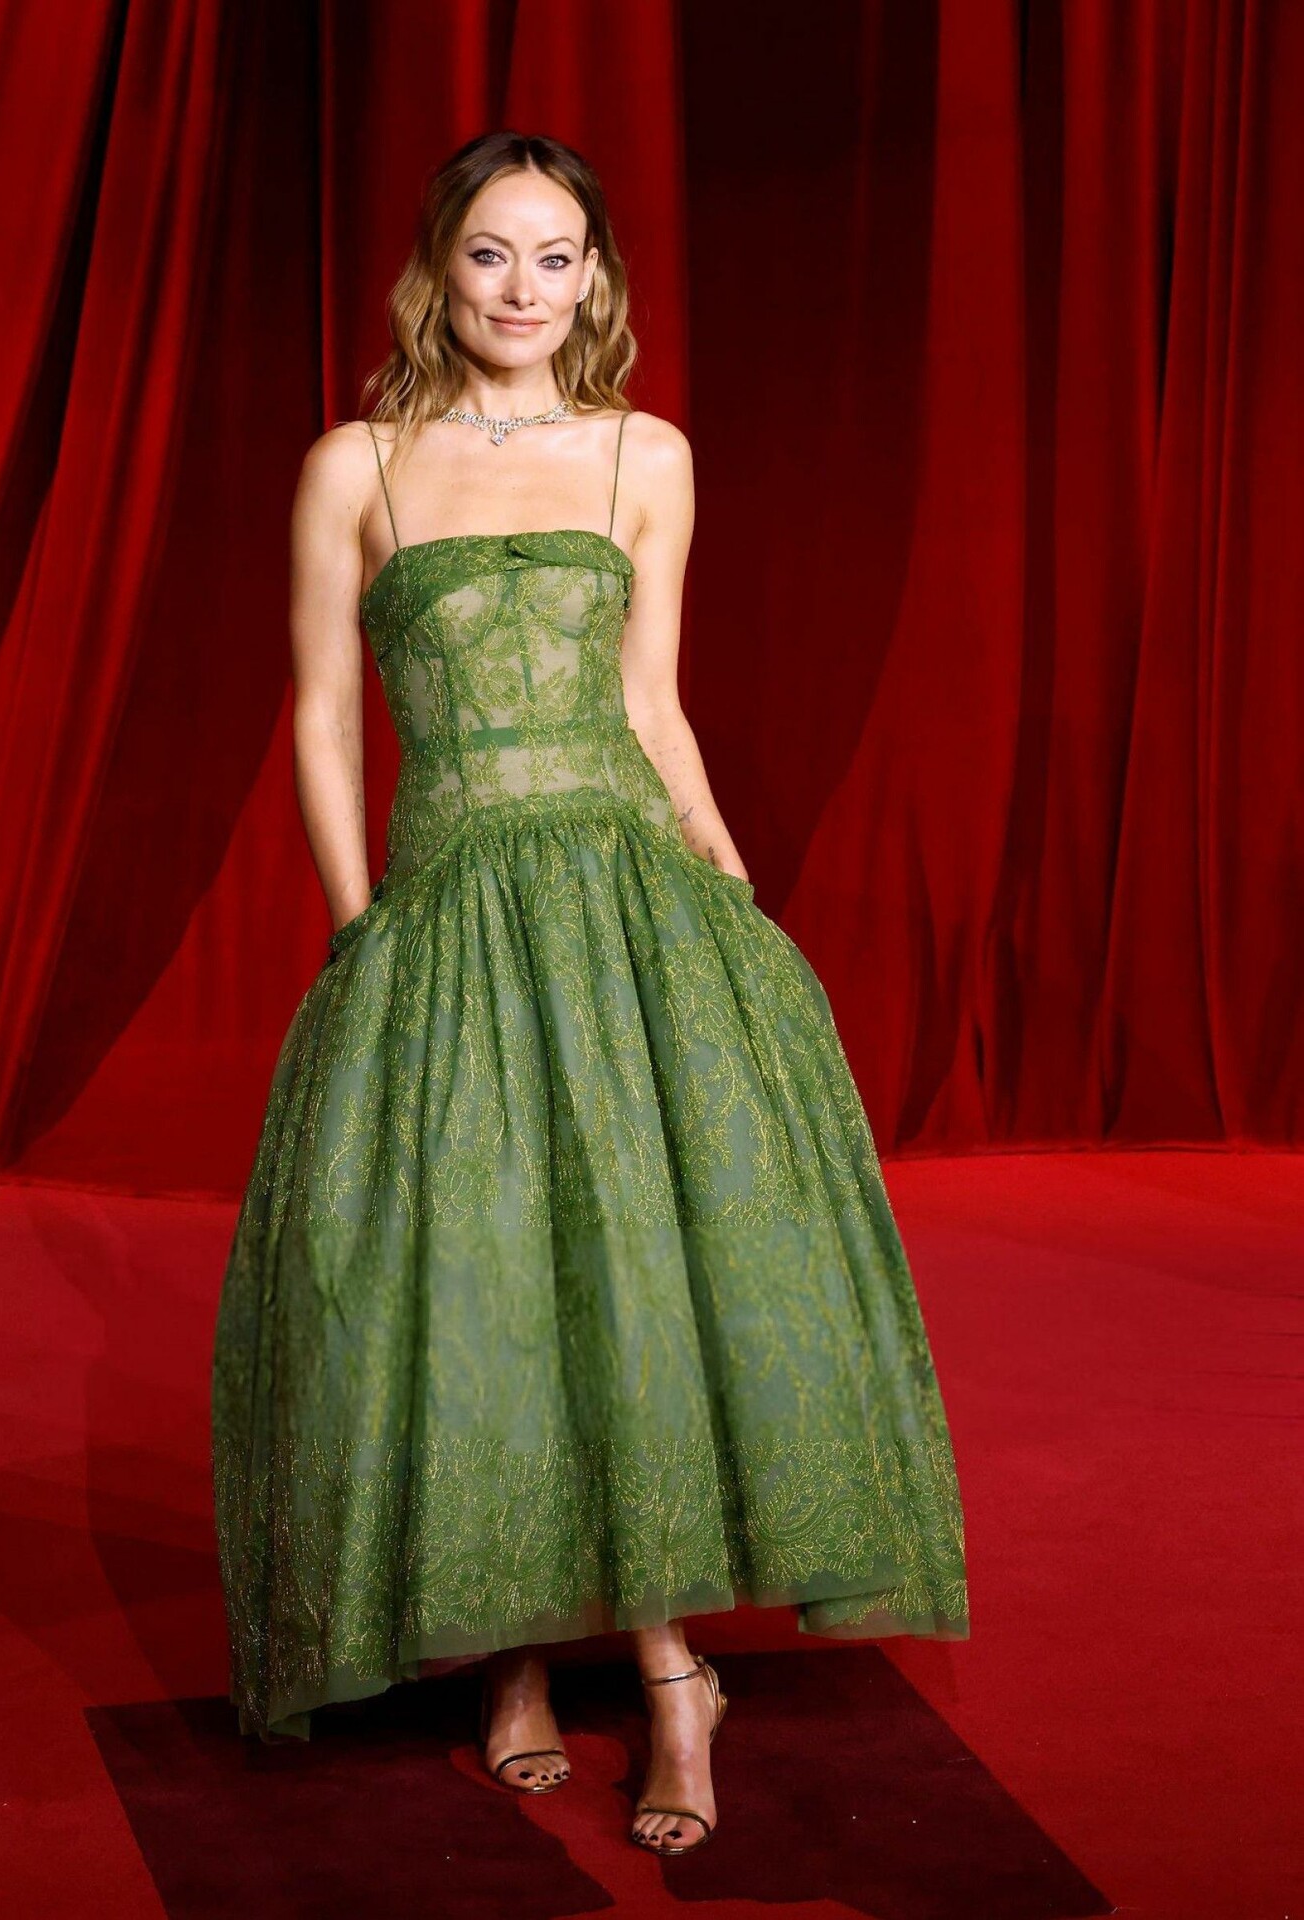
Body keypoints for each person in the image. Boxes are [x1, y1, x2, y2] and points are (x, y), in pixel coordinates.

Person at [212, 129, 967, 1858]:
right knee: (482, 1276)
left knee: (640, 1275)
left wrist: (729, 892)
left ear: (595, 280)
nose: (523, 289)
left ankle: (676, 1673)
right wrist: (360, 924)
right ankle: (512, 1664)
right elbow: (320, 716)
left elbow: (651, 704)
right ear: (438, 267)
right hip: (451, 917)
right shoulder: (355, 466)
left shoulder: (644, 453)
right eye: (491, 253)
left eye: (556, 257)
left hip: (627, 903)